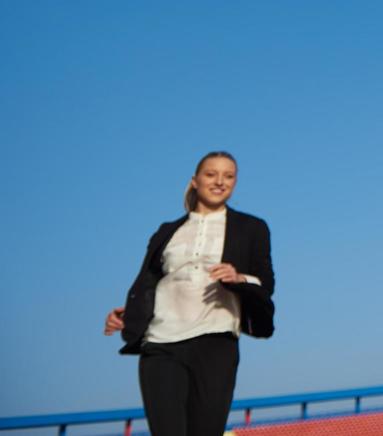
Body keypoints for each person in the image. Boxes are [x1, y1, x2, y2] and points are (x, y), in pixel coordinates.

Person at [103, 151, 275, 436]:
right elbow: (148, 282)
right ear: (195, 181)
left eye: (228, 176)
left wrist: (238, 277)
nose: (220, 181)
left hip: (216, 341)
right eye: (211, 174)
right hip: (159, 343)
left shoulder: (251, 227)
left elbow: (266, 284)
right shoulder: (167, 231)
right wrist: (129, 314)